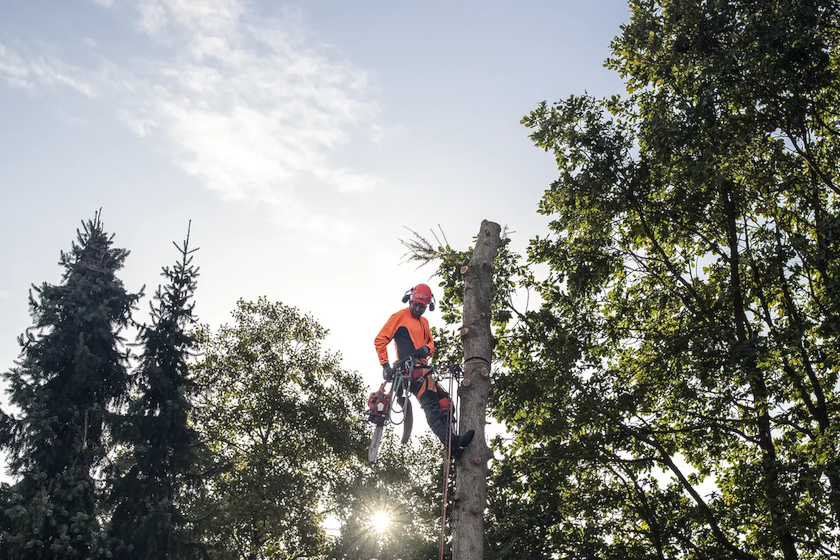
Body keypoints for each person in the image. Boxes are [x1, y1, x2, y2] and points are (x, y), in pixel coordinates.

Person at [375, 283, 474, 459]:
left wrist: (427, 350)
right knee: (431, 405)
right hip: (410, 371)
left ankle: (454, 446)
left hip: (424, 370)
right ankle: (452, 444)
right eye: (416, 305)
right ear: (410, 300)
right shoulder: (399, 316)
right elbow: (380, 340)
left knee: (445, 402)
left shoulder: (424, 322)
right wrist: (385, 366)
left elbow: (430, 343)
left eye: (422, 306)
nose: (418, 308)